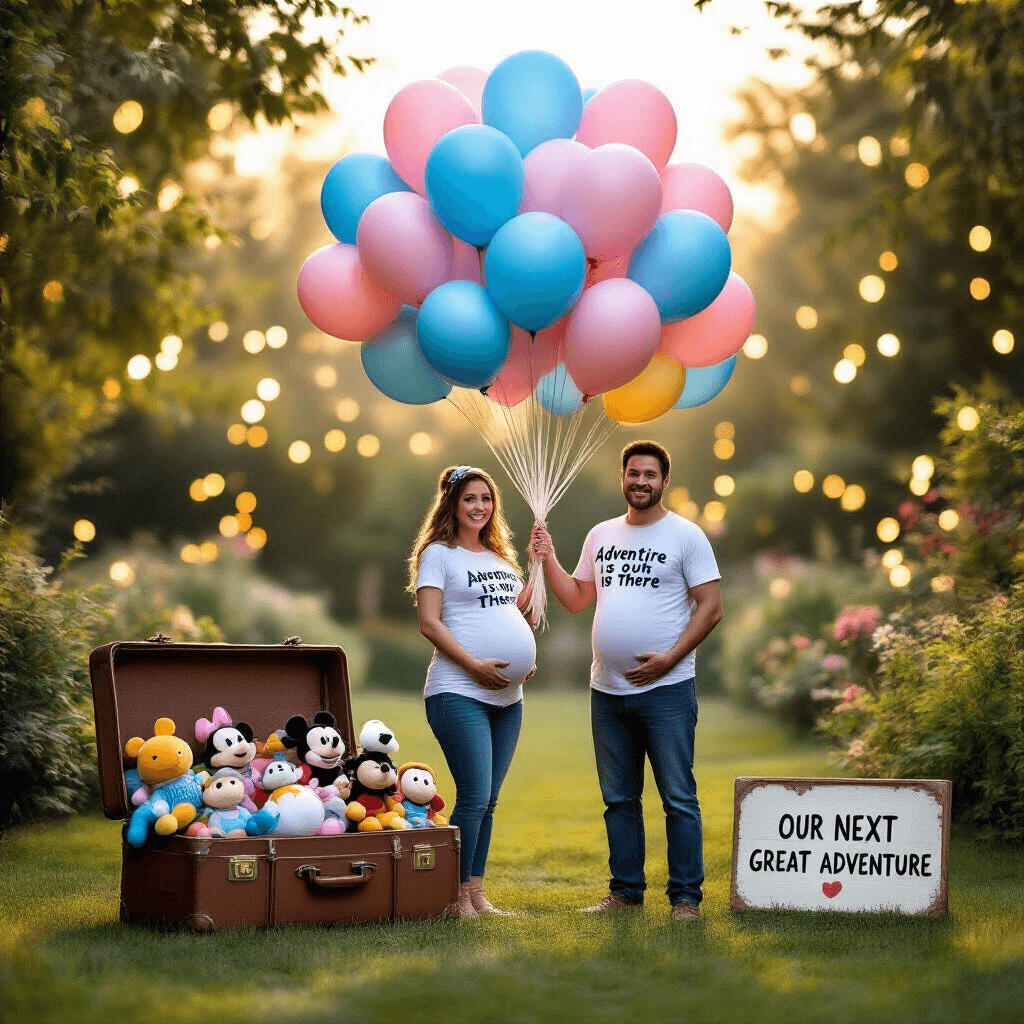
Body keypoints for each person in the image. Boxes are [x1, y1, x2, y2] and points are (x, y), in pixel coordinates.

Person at [531, 440, 722, 921]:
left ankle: (685, 900)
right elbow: (577, 599)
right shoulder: (601, 535)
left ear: (664, 481)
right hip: (607, 691)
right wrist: (549, 556)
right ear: (623, 478)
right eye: (633, 473)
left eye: (650, 475)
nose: (640, 481)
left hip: (668, 690)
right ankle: (625, 893)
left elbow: (712, 607)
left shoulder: (686, 536)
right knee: (619, 800)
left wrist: (670, 659)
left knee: (678, 798)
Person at [408, 464, 537, 918]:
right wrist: (474, 665)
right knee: (474, 797)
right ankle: (454, 896)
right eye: (470, 499)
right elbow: (430, 622)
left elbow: (517, 613)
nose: (479, 506)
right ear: (452, 504)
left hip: (508, 699)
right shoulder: (437, 555)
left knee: (490, 800)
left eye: (486, 499)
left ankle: (477, 894)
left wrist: (525, 657)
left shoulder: (500, 559)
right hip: (457, 690)